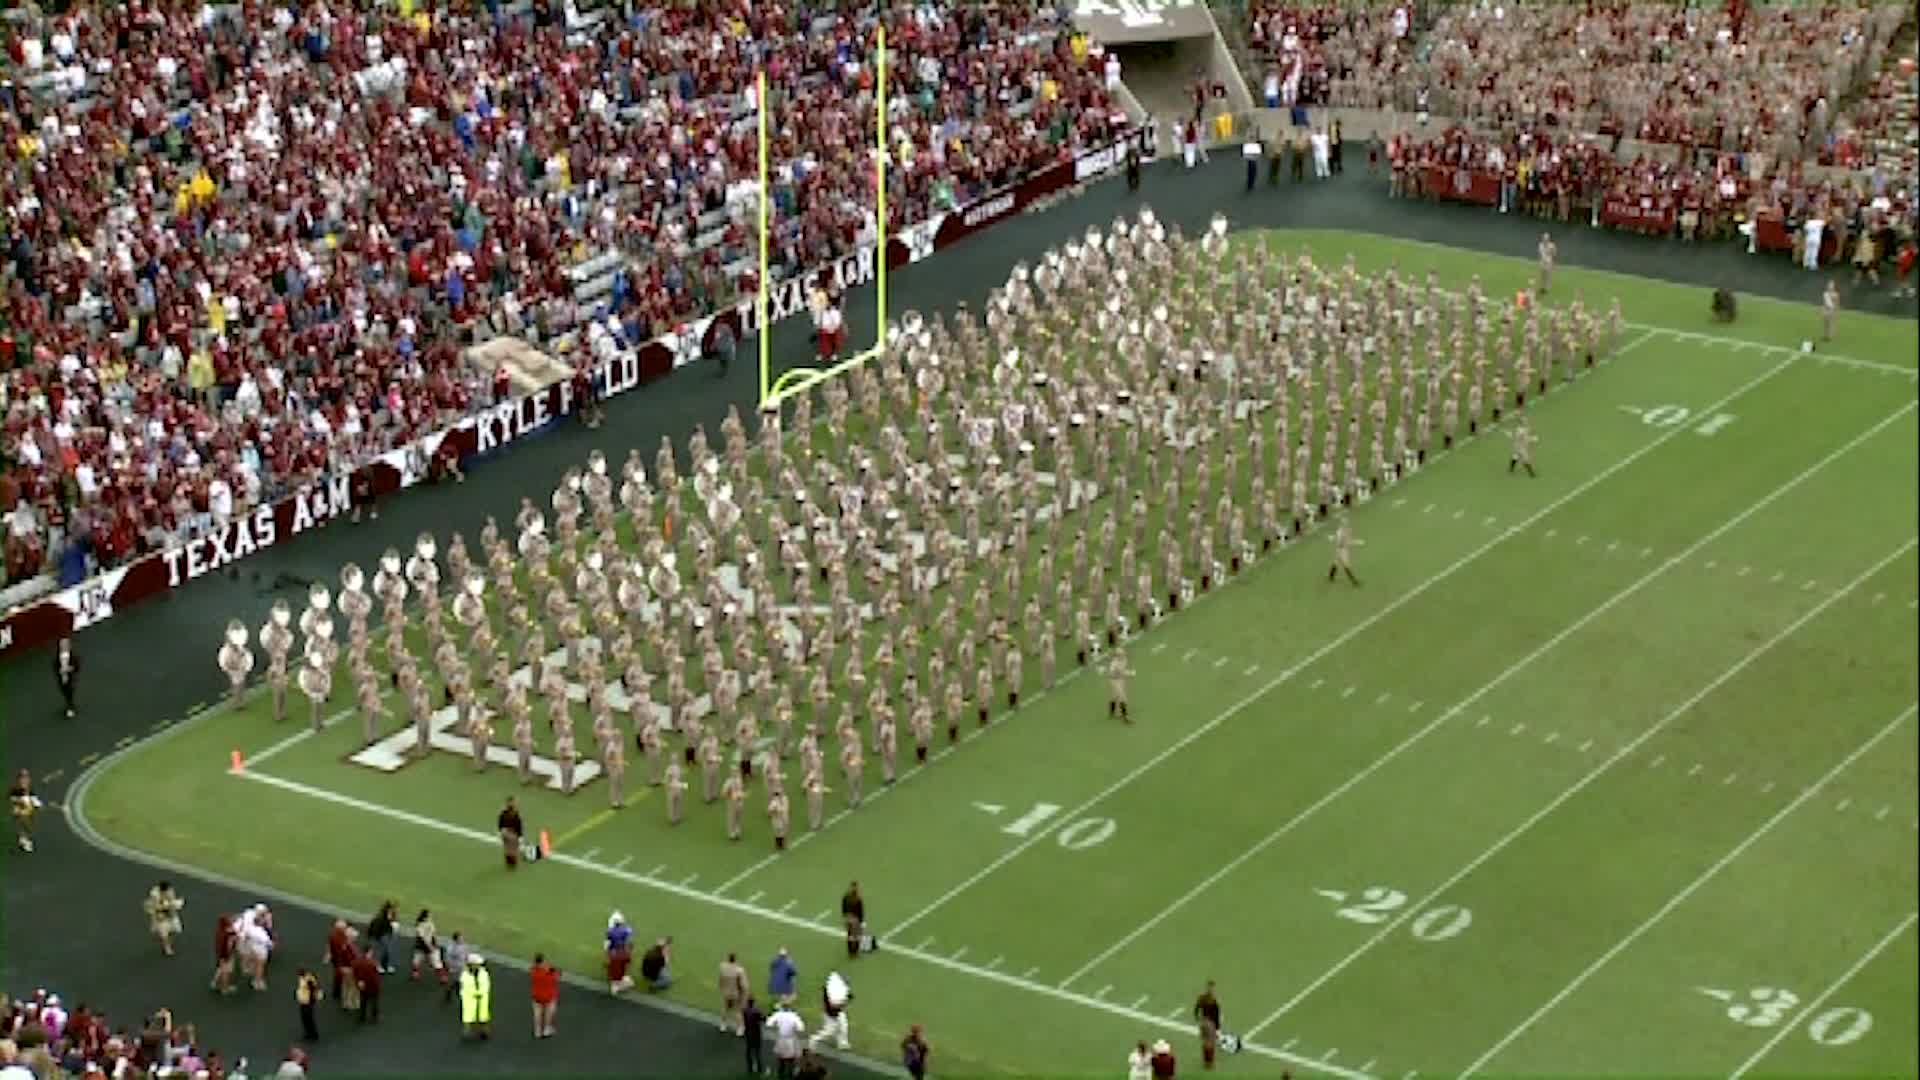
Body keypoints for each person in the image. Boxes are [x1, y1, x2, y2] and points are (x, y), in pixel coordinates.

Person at [810, 971, 851, 1051]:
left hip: (836, 1012)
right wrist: (845, 1002)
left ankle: (842, 1043)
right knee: (829, 1031)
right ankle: (814, 1039)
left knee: (843, 1026)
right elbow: (834, 1005)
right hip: (831, 1015)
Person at [767, 1000, 807, 1078]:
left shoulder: (778, 1014)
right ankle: (790, 1074)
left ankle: (781, 1074)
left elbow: (769, 1023)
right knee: (791, 1058)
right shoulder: (793, 1016)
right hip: (790, 1039)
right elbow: (801, 1028)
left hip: (781, 1038)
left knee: (781, 1058)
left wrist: (777, 1025)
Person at [145, 881, 185, 956]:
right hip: (160, 917)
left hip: (171, 915)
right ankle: (167, 948)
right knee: (164, 934)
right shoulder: (155, 895)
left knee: (174, 931)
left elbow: (173, 902)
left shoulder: (170, 892)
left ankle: (167, 943)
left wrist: (175, 905)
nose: (169, 892)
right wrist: (165, 907)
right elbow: (153, 907)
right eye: (167, 890)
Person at [459, 954, 492, 1040]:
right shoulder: (465, 975)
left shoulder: (483, 973)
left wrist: (481, 993)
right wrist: (475, 994)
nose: (478, 965)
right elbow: (466, 987)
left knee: (483, 1015)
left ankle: (484, 1031)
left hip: (482, 998)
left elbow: (486, 985)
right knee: (468, 1016)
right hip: (470, 999)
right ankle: (467, 1031)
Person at [1194, 980, 1223, 1070]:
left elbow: (1196, 1008)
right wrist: (1218, 1028)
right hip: (1210, 1023)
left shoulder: (1201, 997)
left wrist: (1197, 1018)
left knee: (1204, 1042)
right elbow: (1216, 1015)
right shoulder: (1213, 1001)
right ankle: (1210, 1063)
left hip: (1203, 1022)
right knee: (1211, 1044)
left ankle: (1205, 1061)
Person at [530, 953, 560, 1038]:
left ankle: (537, 1031)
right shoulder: (549, 972)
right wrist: (553, 970)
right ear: (542, 962)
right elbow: (557, 978)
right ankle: (546, 1029)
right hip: (549, 996)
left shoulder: (534, 971)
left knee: (537, 1013)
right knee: (549, 1012)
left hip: (537, 996)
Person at [718, 952, 749, 1035]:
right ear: (735, 959)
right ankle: (740, 1028)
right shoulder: (739, 970)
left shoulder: (723, 967)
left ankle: (723, 1025)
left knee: (726, 1008)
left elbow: (720, 979)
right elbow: (743, 985)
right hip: (735, 993)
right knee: (737, 1010)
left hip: (726, 992)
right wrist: (745, 993)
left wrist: (721, 988)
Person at [1327, 514, 1361, 586]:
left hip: (1343, 549)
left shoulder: (1347, 530)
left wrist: (1332, 538)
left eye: (1346, 523)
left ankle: (1331, 576)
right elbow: (1343, 542)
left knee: (1336, 562)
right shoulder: (1340, 532)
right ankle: (1354, 581)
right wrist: (1357, 542)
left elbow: (1347, 540)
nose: (1346, 525)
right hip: (1341, 550)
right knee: (1346, 564)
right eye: (1345, 523)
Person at [7, 769, 36, 853]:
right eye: (22, 777)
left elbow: (33, 801)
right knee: (23, 824)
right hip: (20, 812)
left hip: (27, 811)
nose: (25, 779)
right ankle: (22, 842)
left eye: (26, 777)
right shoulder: (14, 789)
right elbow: (12, 799)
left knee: (27, 827)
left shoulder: (29, 789)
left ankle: (23, 841)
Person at [351, 947, 382, 1024]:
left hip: (363, 985)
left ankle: (362, 1017)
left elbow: (354, 972)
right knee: (374, 1001)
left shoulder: (357, 961)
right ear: (369, 952)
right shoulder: (373, 962)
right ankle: (374, 1018)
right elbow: (378, 972)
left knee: (363, 1001)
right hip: (373, 985)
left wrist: (358, 981)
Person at [606, 912, 636, 993]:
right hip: (624, 953)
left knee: (616, 971)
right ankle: (619, 982)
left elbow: (609, 944)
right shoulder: (627, 930)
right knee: (622, 968)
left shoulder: (610, 931)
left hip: (616, 954)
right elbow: (630, 943)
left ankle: (616, 985)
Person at [366, 901, 397, 973]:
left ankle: (386, 965)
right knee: (376, 950)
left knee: (388, 949)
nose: (392, 916)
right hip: (376, 935)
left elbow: (389, 929)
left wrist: (389, 936)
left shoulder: (388, 920)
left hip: (382, 935)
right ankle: (377, 965)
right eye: (390, 913)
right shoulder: (379, 919)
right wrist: (377, 940)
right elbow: (374, 930)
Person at [53, 637, 79, 718]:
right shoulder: (58, 656)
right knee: (64, 691)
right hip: (61, 678)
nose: (63, 646)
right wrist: (59, 671)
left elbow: (77, 666)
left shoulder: (73, 656)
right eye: (62, 645)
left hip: (71, 677)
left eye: (65, 644)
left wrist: (70, 669)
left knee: (70, 691)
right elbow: (55, 666)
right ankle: (69, 703)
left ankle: (70, 707)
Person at [294, 969, 322, 1042]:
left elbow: (314, 989)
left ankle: (314, 1035)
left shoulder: (310, 980)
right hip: (303, 1001)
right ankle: (308, 1033)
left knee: (309, 1018)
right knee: (304, 1018)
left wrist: (313, 999)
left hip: (308, 1002)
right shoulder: (302, 978)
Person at [497, 797, 525, 871]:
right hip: (510, 834)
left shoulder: (505, 813)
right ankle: (511, 860)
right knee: (512, 848)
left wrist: (500, 831)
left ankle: (510, 859)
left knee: (509, 848)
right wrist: (520, 836)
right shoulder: (514, 814)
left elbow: (500, 823)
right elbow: (519, 825)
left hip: (507, 833)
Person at [840, 882, 866, 959]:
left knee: (851, 935)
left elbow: (843, 907)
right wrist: (861, 921)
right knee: (855, 936)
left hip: (850, 918)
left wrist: (845, 916)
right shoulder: (857, 898)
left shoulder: (846, 897)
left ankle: (852, 952)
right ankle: (854, 951)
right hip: (854, 919)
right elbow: (861, 911)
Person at [743, 996, 768, 1075]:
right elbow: (764, 1019)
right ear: (754, 1003)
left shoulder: (745, 1011)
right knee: (757, 1052)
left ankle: (750, 1068)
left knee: (749, 1051)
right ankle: (759, 1069)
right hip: (756, 1034)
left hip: (748, 1033)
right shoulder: (757, 1011)